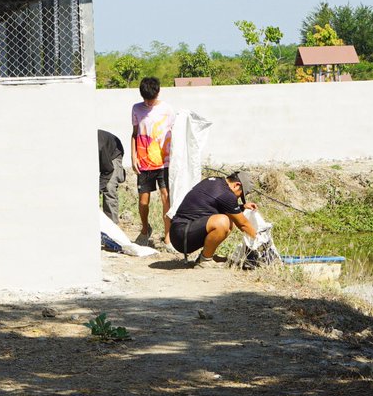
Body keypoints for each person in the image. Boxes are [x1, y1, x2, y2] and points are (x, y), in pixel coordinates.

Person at [168, 171, 258, 266]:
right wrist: (259, 242)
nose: (237, 198)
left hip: (179, 232)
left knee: (227, 220)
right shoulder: (226, 194)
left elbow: (214, 205)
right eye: (239, 195)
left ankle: (206, 255)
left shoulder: (215, 181)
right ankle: (205, 260)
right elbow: (243, 225)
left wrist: (242, 207)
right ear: (236, 185)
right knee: (223, 222)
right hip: (182, 236)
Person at [130, 77, 175, 247]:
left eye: (151, 98)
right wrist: (133, 156)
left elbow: (174, 133)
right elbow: (134, 133)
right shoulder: (136, 109)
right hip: (144, 162)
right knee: (143, 201)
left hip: (164, 163)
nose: (148, 102)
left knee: (166, 199)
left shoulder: (167, 110)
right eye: (145, 99)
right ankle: (144, 230)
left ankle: (168, 237)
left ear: (158, 93)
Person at [98, 129, 125, 224]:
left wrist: (98, 189)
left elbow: (108, 170)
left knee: (109, 187)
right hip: (102, 158)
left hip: (113, 153)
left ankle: (112, 229)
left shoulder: (99, 146)